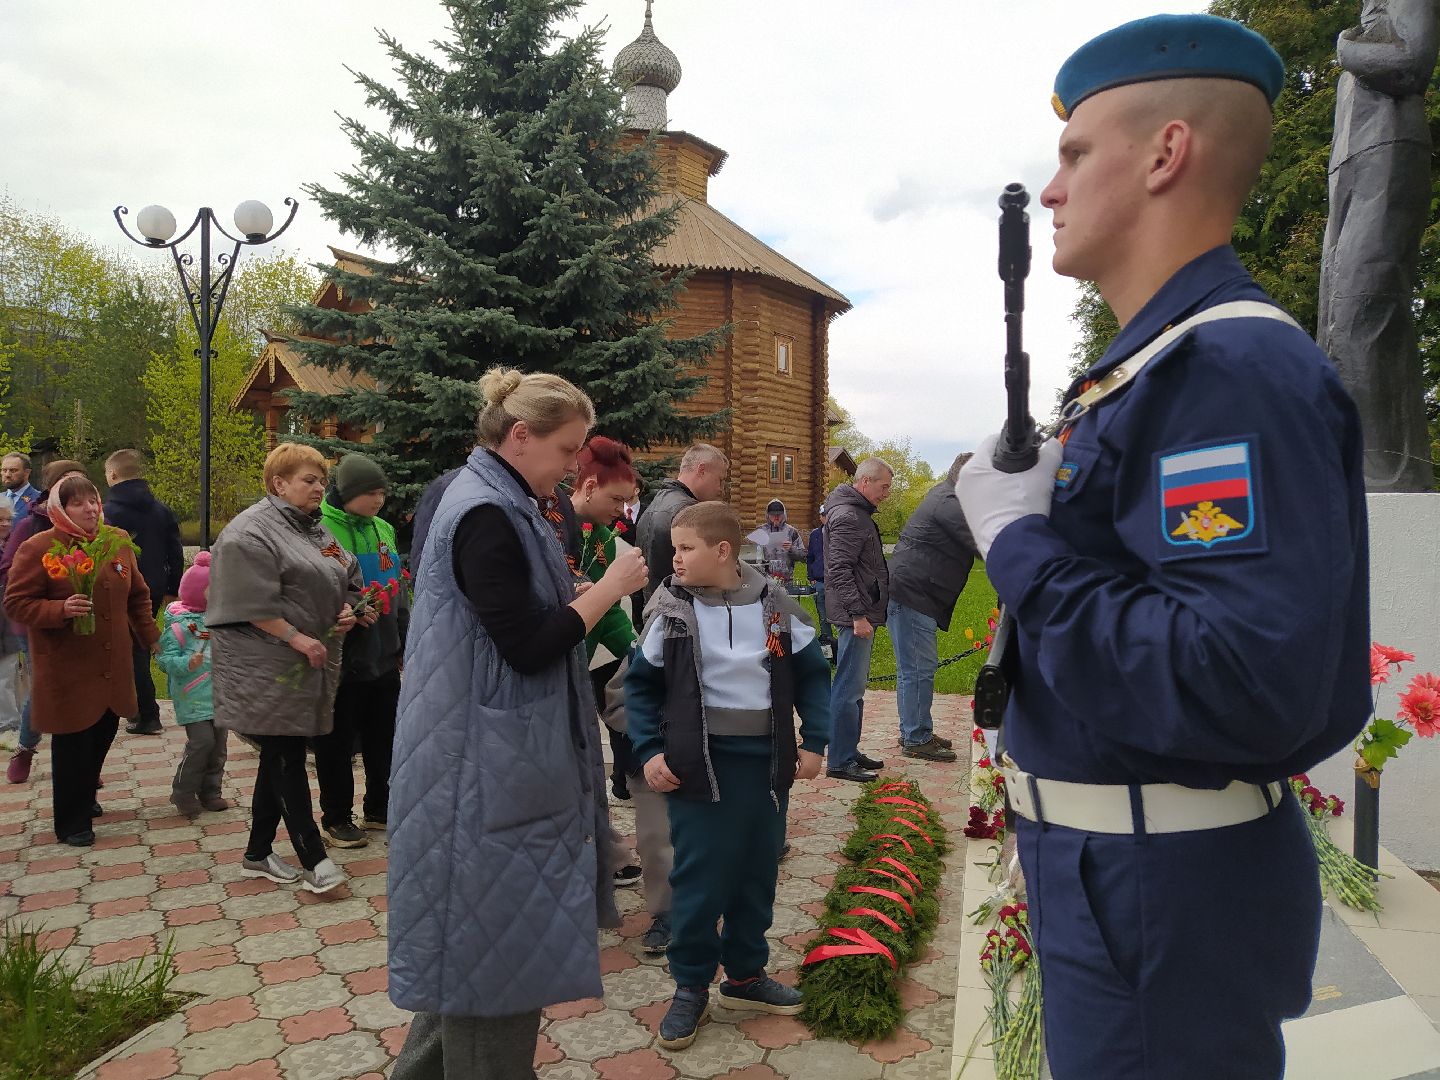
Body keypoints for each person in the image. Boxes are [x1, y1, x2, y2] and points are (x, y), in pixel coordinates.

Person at [955, 15, 1370, 1078]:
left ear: (1165, 153)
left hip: (1158, 882)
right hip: (1126, 869)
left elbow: (1233, 676)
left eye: (1074, 153)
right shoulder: (1154, 370)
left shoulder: (1223, 370)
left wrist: (1020, 542)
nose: (1050, 190)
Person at [387, 368, 649, 1080]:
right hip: (483, 771)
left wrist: (588, 596)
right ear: (520, 436)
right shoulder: (486, 512)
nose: (574, 467)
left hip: (488, 758)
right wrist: (609, 592)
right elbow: (529, 644)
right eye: (567, 450)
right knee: (489, 958)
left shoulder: (505, 500)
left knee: (471, 949)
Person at [625, 501, 831, 1051]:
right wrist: (648, 751)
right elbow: (638, 687)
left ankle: (744, 978)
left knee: (755, 871)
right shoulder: (671, 613)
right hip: (698, 769)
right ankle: (690, 985)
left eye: (685, 548)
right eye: (674, 549)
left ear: (722, 551)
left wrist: (814, 742)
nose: (675, 559)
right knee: (699, 879)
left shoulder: (774, 611)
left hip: (767, 767)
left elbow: (812, 677)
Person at [208, 443, 360, 895]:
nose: (319, 488)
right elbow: (248, 602)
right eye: (308, 480)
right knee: (285, 754)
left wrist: (350, 606)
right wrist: (295, 637)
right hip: (263, 660)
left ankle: (257, 854)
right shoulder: (249, 533)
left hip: (305, 658)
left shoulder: (314, 529)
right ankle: (315, 860)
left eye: (321, 480)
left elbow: (344, 572)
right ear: (279, 483)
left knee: (279, 753)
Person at [4, 474, 159, 846]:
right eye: (78, 503)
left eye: (93, 501)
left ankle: (85, 796)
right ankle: (71, 821)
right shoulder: (39, 547)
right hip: (66, 663)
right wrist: (59, 609)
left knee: (104, 730)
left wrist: (151, 637)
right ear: (60, 509)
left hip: (112, 659)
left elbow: (137, 595)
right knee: (73, 740)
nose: (90, 508)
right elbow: (16, 602)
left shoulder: (116, 541)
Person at [315, 452, 408, 847]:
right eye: (370, 493)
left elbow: (398, 586)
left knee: (383, 734)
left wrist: (405, 635)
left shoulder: (383, 528)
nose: (378, 500)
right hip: (342, 653)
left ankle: (379, 807)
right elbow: (314, 588)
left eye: (382, 492)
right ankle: (336, 815)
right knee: (336, 739)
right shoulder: (320, 530)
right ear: (347, 492)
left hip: (384, 651)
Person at [885, 453, 977, 763]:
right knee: (917, 670)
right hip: (913, 594)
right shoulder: (949, 503)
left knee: (914, 670)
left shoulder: (947, 495)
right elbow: (984, 541)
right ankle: (915, 737)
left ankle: (916, 729)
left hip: (913, 593)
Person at [2, 459, 86, 785]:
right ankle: (25, 748)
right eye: (67, 481)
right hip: (37, 624)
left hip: (82, 620)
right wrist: (52, 598)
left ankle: (83, 762)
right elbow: (10, 577)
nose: (76, 488)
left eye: (81, 481)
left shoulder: (96, 526)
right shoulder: (30, 525)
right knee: (44, 686)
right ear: (51, 487)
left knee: (83, 688)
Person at [821, 457, 893, 782]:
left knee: (855, 688)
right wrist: (857, 615)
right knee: (848, 689)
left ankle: (849, 749)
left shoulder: (855, 512)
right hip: (855, 617)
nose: (886, 494)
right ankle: (839, 760)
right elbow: (839, 570)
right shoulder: (850, 516)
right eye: (884, 487)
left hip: (861, 613)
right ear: (865, 482)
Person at [103, 449, 184, 737]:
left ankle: (146, 713)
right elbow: (175, 551)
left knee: (131, 652)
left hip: (119, 587)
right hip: (154, 587)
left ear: (112, 474)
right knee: (139, 646)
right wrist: (173, 589)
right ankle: (141, 711)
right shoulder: (160, 509)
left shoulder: (107, 512)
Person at [158, 552, 228, 816]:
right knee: (201, 742)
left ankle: (211, 791)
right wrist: (187, 664)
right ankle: (183, 791)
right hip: (193, 695)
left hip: (220, 694)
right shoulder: (178, 626)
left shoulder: (221, 621)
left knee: (218, 745)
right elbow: (165, 659)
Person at [635, 443, 728, 599]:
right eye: (720, 480)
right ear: (702, 470)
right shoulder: (690, 512)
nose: (721, 489)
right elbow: (709, 574)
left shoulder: (652, 506)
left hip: (653, 612)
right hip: (682, 610)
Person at [805, 505, 835, 660]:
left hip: (835, 582)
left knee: (838, 616)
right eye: (824, 515)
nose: (827, 517)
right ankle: (828, 648)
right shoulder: (815, 535)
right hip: (819, 581)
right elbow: (810, 557)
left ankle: (841, 648)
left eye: (829, 514)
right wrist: (810, 576)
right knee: (823, 616)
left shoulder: (838, 534)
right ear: (820, 517)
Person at [755, 499, 803, 586]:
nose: (776, 517)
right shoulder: (761, 531)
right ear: (768, 515)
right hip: (766, 580)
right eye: (773, 515)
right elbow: (755, 556)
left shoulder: (792, 532)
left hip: (787, 580)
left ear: (783, 515)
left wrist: (791, 549)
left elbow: (803, 556)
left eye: (779, 514)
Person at [2, 454, 40, 526]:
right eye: (4, 470)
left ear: (27, 473)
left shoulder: (39, 499)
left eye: (13, 470)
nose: (7, 475)